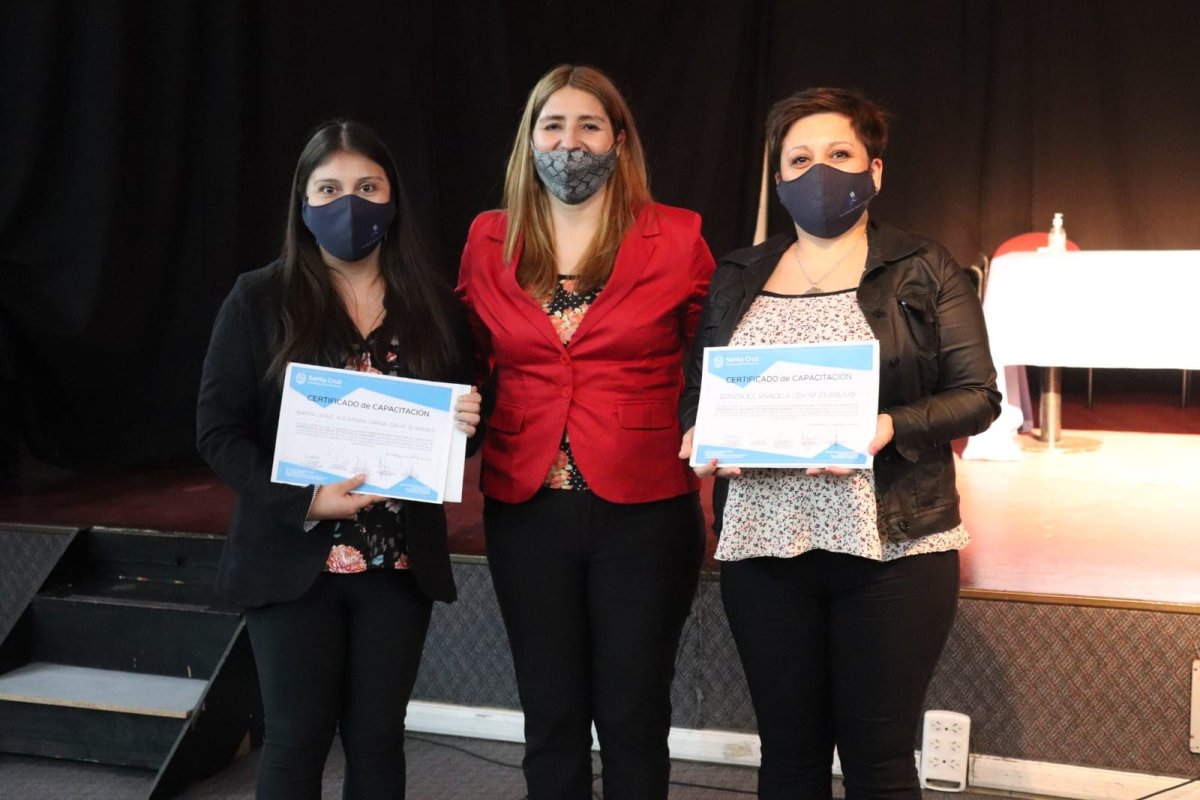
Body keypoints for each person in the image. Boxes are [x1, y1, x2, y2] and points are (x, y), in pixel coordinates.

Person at [678, 88, 1001, 799]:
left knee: (878, 763)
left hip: (893, 547)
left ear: (874, 170)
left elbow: (979, 395)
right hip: (763, 547)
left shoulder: (924, 265)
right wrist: (701, 432)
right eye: (799, 159)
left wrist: (888, 426)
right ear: (778, 178)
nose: (818, 171)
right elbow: (698, 391)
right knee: (788, 759)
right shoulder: (737, 274)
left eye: (839, 154)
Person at [196, 119, 482, 800]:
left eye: (367, 187)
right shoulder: (259, 297)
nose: (348, 204)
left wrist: (469, 421)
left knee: (379, 738)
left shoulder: (435, 306)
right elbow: (218, 430)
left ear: (393, 199)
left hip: (398, 563)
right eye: (328, 189)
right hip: (291, 559)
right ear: (303, 203)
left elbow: (462, 424)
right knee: (295, 739)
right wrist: (305, 501)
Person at [456, 64, 715, 799]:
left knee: (633, 716)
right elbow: (465, 354)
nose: (570, 142)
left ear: (618, 140)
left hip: (645, 508)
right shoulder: (488, 237)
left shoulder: (678, 234)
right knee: (550, 715)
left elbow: (714, 356)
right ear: (529, 139)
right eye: (553, 126)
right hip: (525, 506)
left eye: (589, 126)